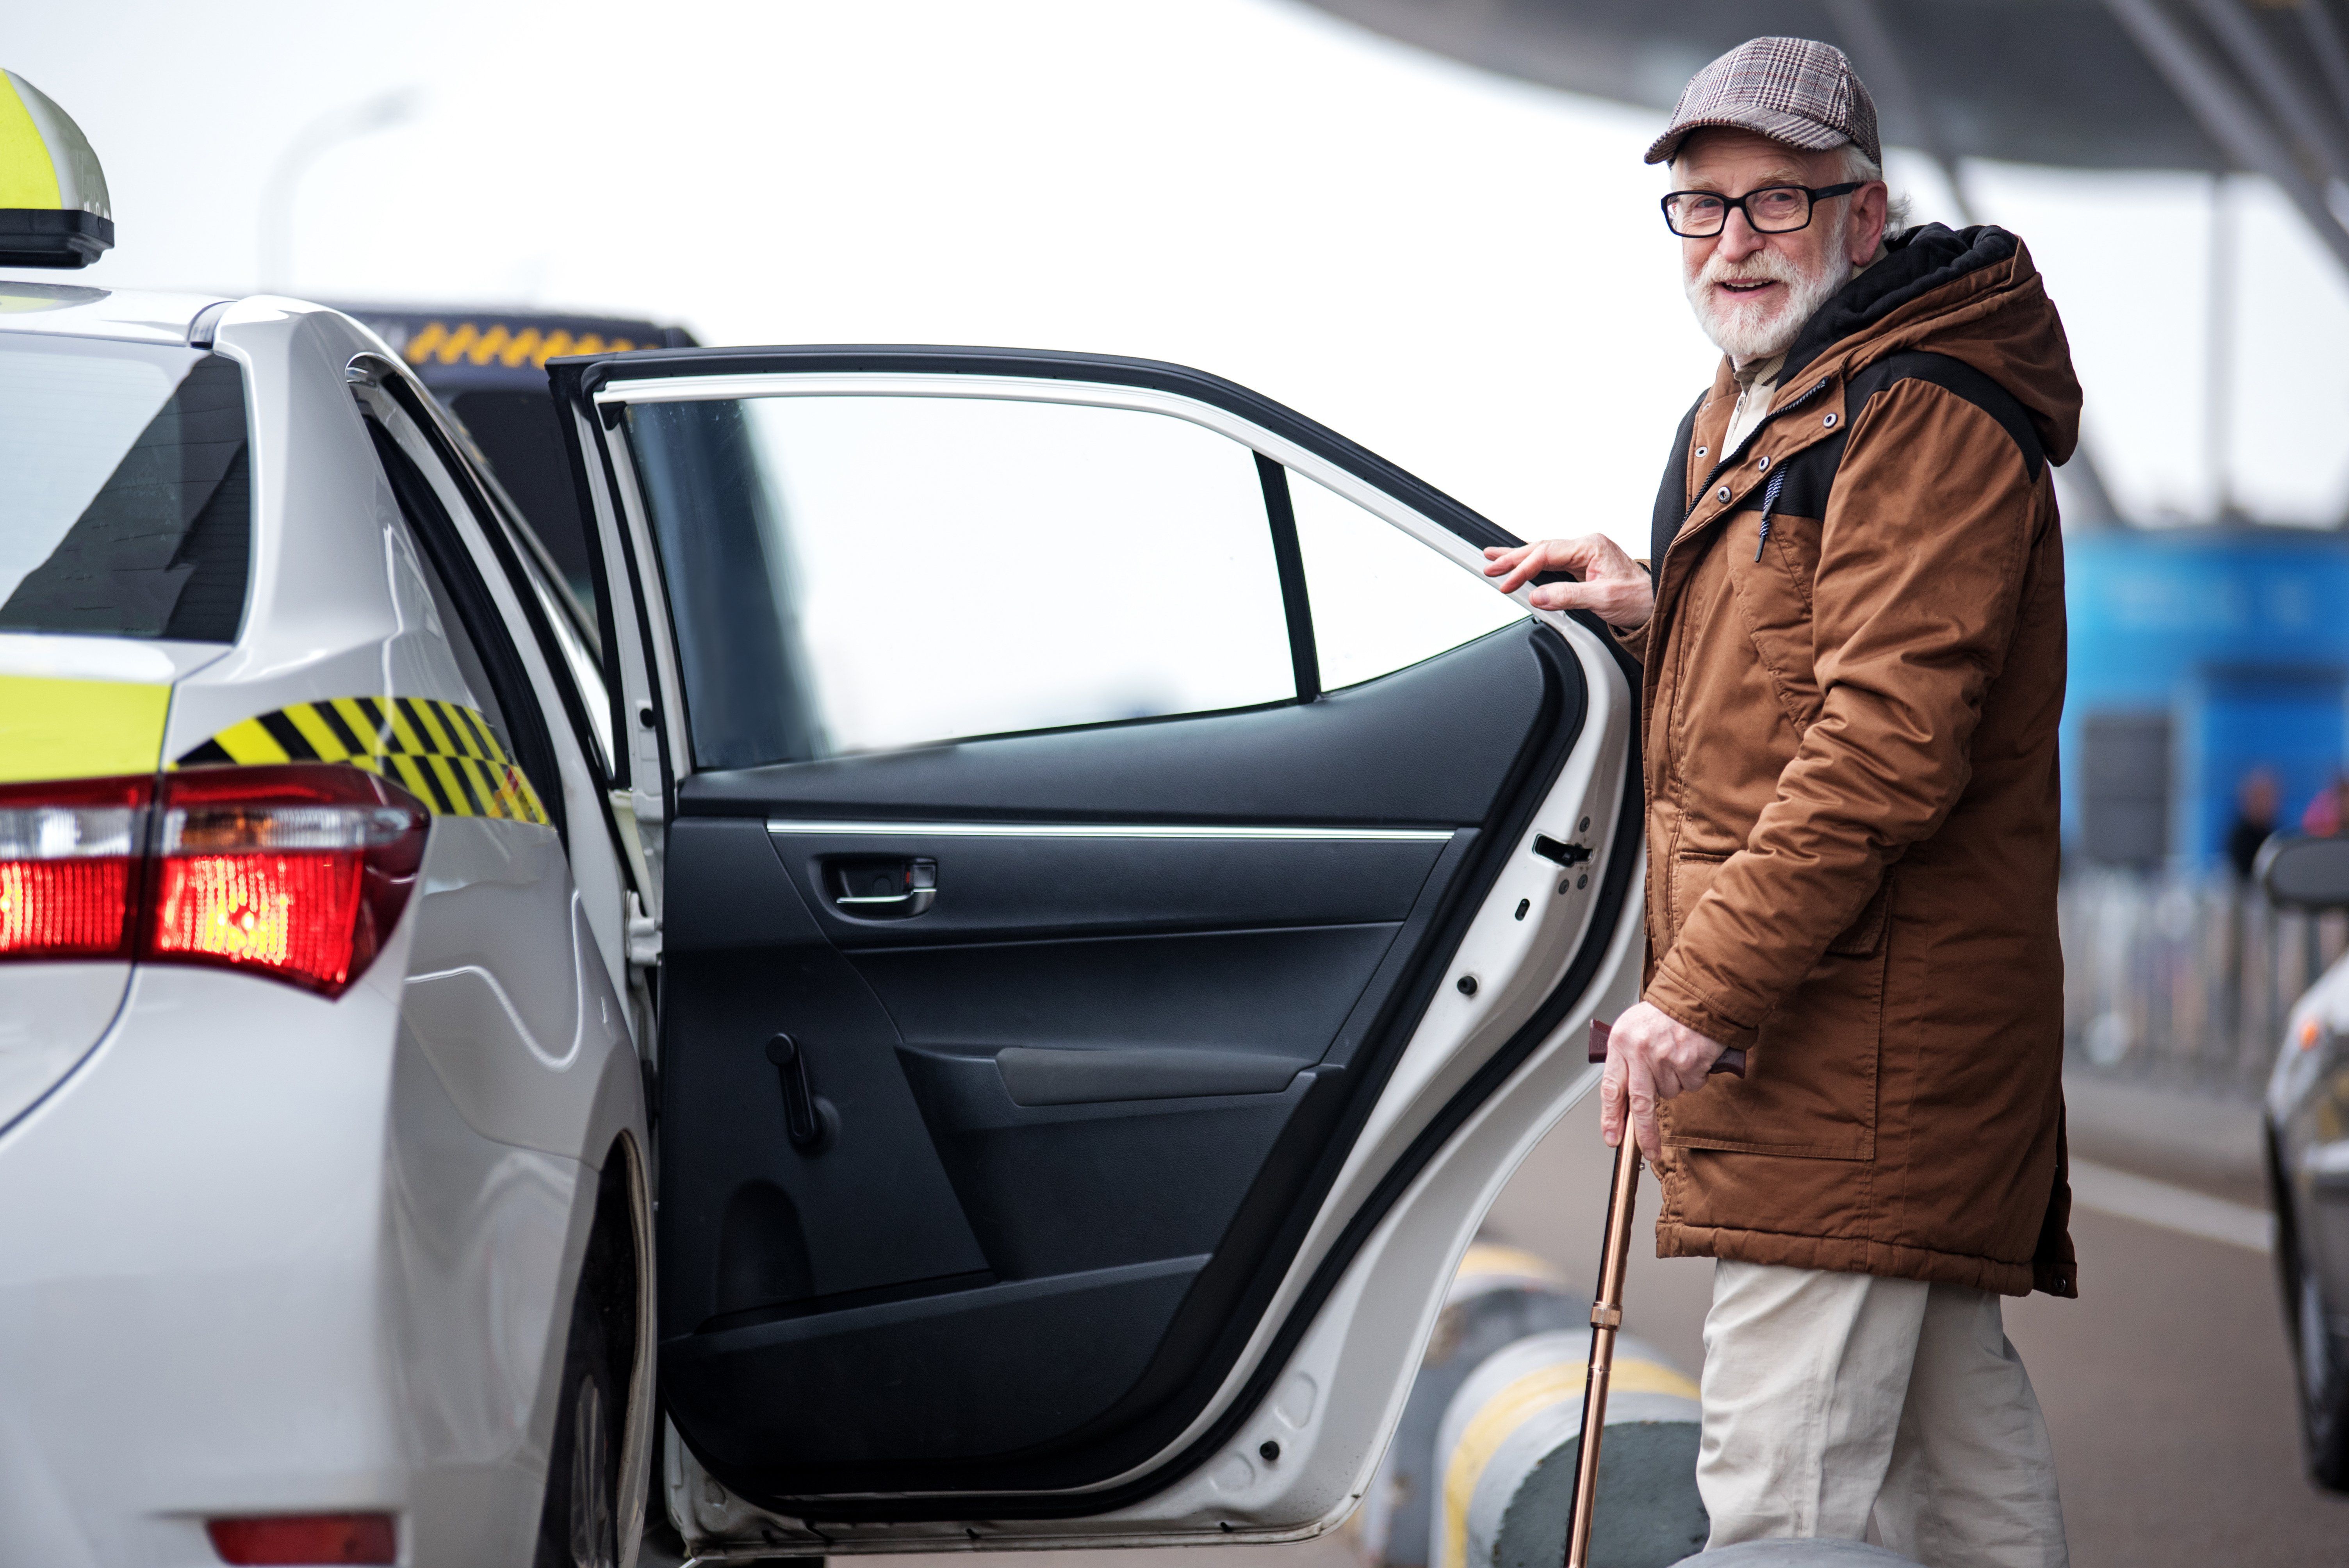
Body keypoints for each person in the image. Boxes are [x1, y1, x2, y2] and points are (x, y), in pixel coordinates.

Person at [1485, 37, 2077, 1567]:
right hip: (1852, 1063)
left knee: (1777, 1507)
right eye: (1701, 205)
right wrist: (1657, 602)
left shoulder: (1922, 410)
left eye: (1776, 202)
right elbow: (1804, 657)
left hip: (1861, 1065)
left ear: (1862, 217)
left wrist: (1695, 993)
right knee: (1962, 1483)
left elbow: (1883, 741)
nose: (1733, 240)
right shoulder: (1767, 399)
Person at [2226, 767, 2279, 880]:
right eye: (2259, 797)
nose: (2265, 803)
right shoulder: (2239, 838)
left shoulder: (2277, 835)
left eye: (2268, 797)